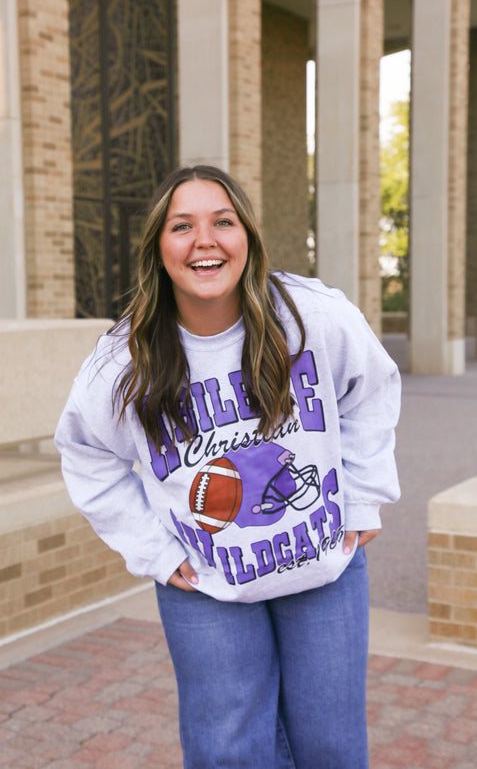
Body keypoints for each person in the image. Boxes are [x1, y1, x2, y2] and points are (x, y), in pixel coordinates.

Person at [55, 164, 401, 768]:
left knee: (332, 749)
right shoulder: (124, 359)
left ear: (248, 238)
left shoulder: (310, 315)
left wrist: (363, 495)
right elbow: (86, 454)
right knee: (227, 752)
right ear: (158, 249)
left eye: (223, 221)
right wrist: (155, 552)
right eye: (181, 226)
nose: (205, 240)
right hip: (208, 587)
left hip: (323, 571)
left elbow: (369, 389)